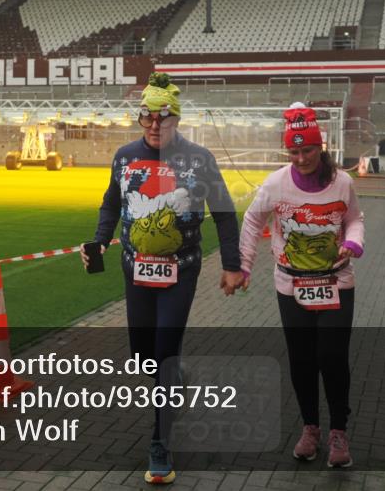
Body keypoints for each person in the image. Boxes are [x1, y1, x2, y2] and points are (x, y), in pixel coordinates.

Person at [80, 72, 244, 484]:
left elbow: (224, 214)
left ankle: (160, 442)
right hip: (135, 270)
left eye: (164, 118)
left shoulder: (199, 158)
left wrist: (231, 263)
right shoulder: (124, 156)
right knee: (143, 356)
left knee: (166, 350)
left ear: (177, 119)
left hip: (180, 271)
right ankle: (176, 380)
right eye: (147, 118)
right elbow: (110, 205)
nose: (155, 125)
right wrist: (100, 241)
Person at [238, 103, 365, 468]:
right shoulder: (276, 183)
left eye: (307, 150)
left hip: (336, 282)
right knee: (302, 360)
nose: (301, 158)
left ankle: (338, 431)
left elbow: (354, 219)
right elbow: (251, 220)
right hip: (291, 286)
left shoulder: (343, 182)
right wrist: (245, 266)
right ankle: (311, 428)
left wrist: (354, 241)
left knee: (332, 357)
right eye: (293, 152)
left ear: (320, 147)